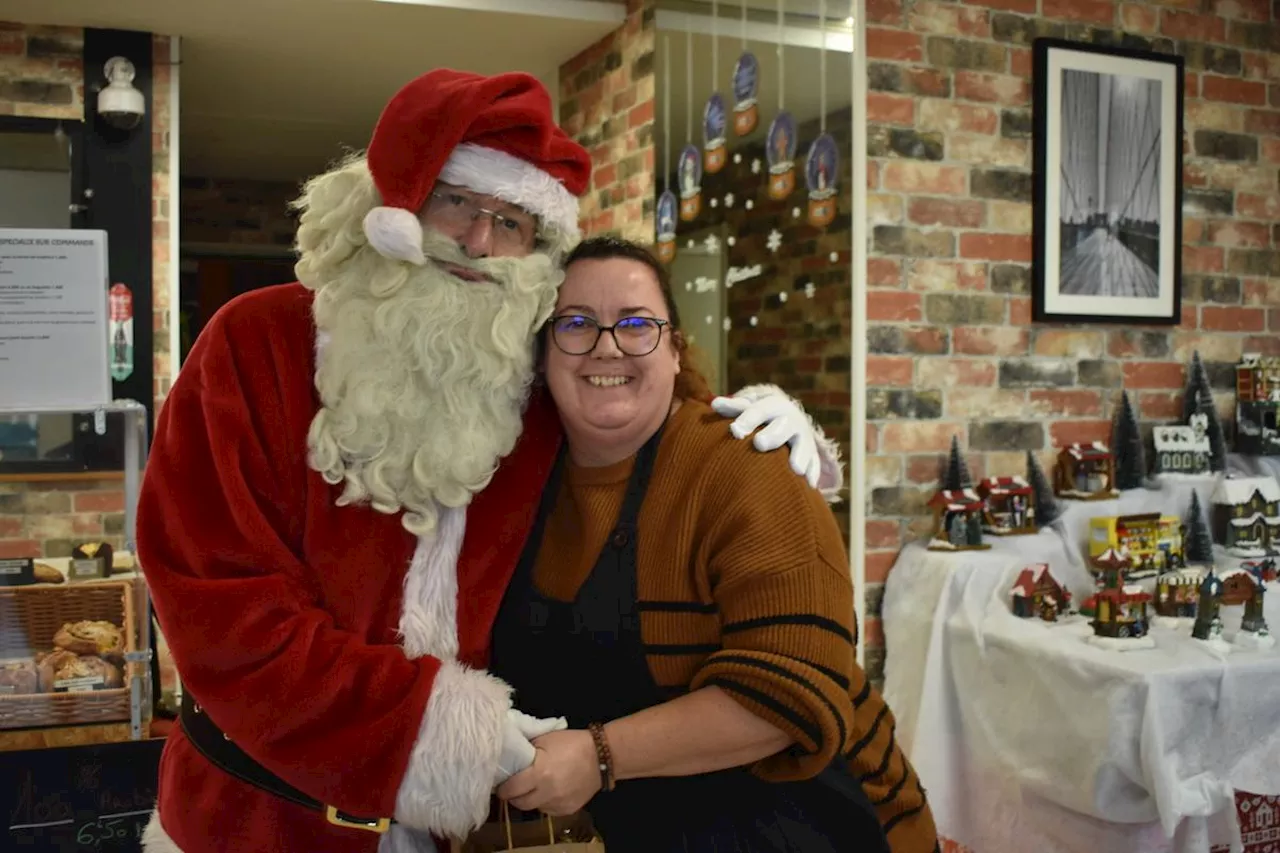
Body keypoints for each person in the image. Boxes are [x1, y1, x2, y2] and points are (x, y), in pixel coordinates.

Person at [136, 69, 838, 853]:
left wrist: (752, 426)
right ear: (401, 202)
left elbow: (627, 390)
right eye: (458, 202)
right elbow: (218, 604)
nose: (478, 242)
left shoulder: (528, 384)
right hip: (252, 821)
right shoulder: (253, 345)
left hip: (466, 833)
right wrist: (445, 732)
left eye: (512, 221)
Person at [488, 237, 939, 853]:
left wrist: (599, 757)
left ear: (675, 349)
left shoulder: (745, 469)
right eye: (575, 324)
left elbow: (793, 690)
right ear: (543, 353)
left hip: (795, 821)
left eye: (636, 324)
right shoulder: (519, 484)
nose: (606, 345)